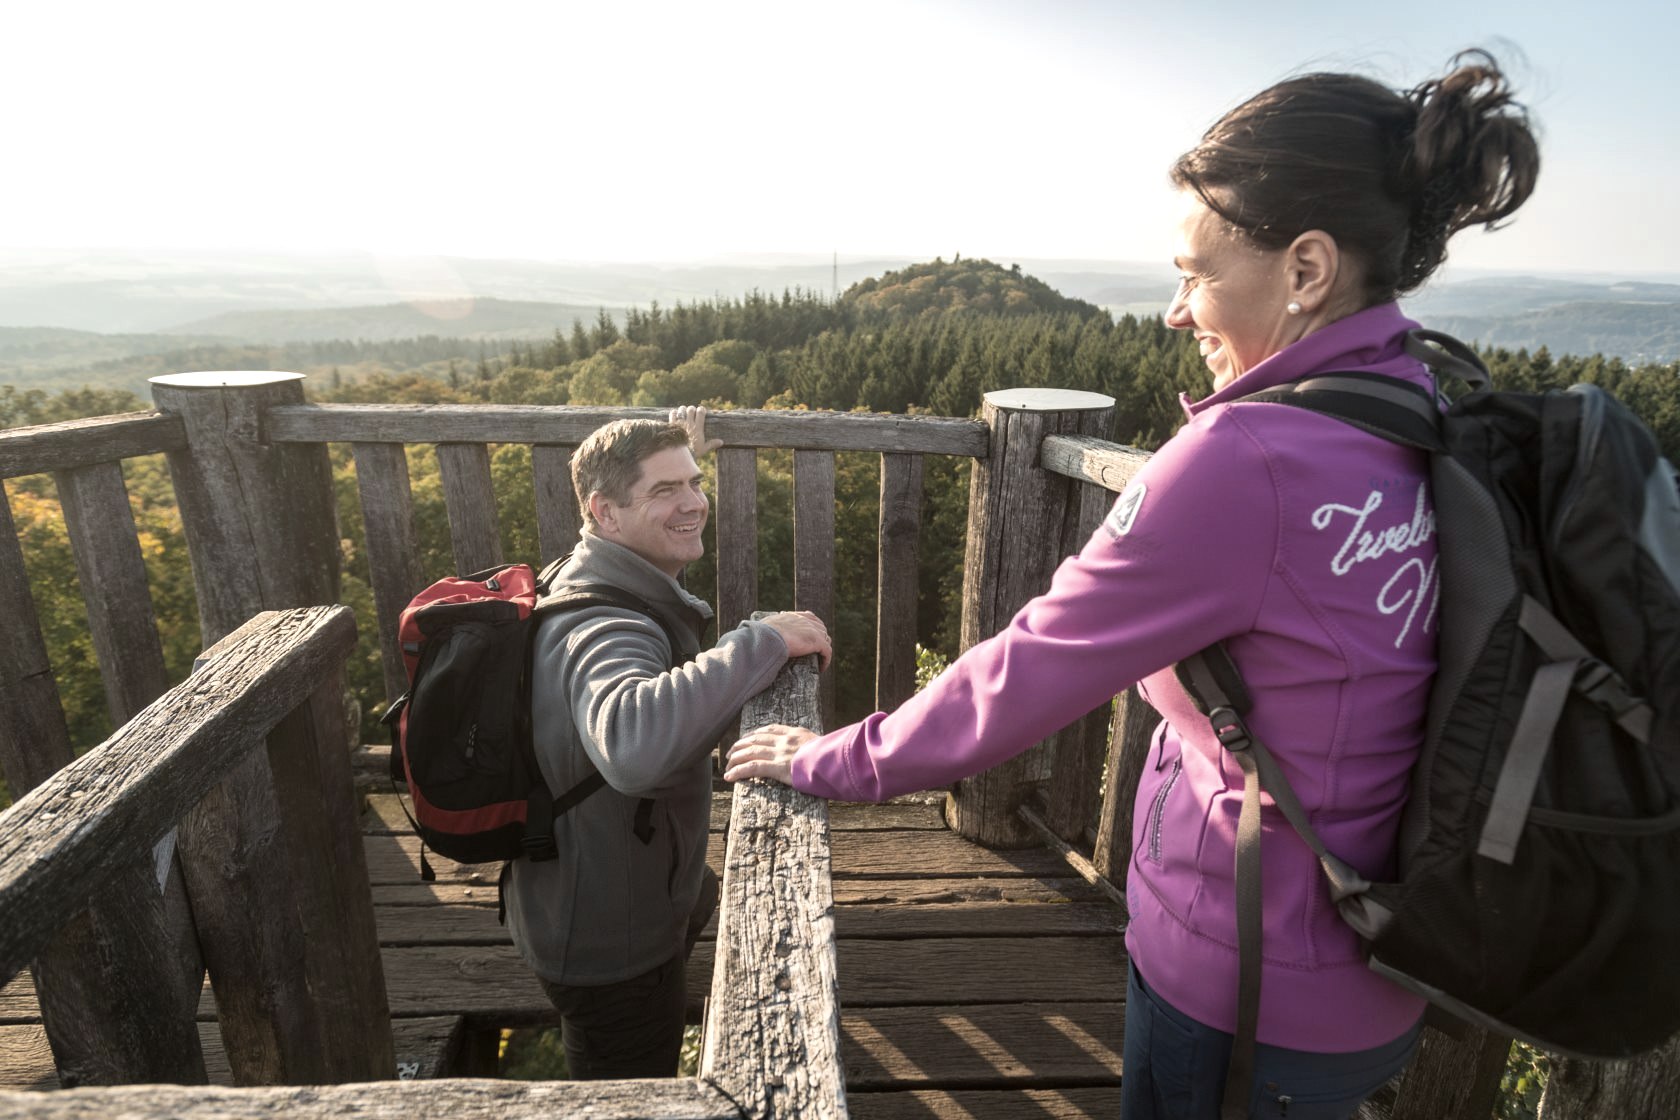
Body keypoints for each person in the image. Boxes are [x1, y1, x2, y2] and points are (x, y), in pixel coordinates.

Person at [724, 52, 1539, 1119]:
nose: (1174, 311)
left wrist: (834, 757)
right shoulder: (1420, 404)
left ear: (1306, 268)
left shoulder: (1245, 462)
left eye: (1195, 274)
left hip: (1245, 989)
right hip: (1376, 971)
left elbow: (1024, 672)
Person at [504, 406, 832, 1080]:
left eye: (694, 483)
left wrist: (677, 464)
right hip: (608, 946)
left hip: (587, 892)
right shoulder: (602, 627)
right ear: (604, 512)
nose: (694, 504)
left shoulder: (598, 567)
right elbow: (633, 748)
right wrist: (764, 642)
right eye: (665, 490)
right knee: (626, 1091)